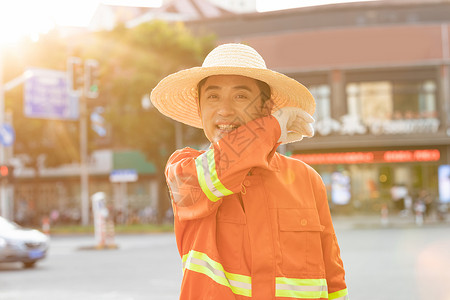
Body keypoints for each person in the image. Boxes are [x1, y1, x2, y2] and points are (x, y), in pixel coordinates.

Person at [150, 43, 349, 300]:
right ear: (200, 110)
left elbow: (333, 279)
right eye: (213, 96)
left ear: (265, 109)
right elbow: (223, 167)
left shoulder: (307, 180)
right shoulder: (183, 169)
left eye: (241, 96)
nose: (225, 109)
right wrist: (271, 128)